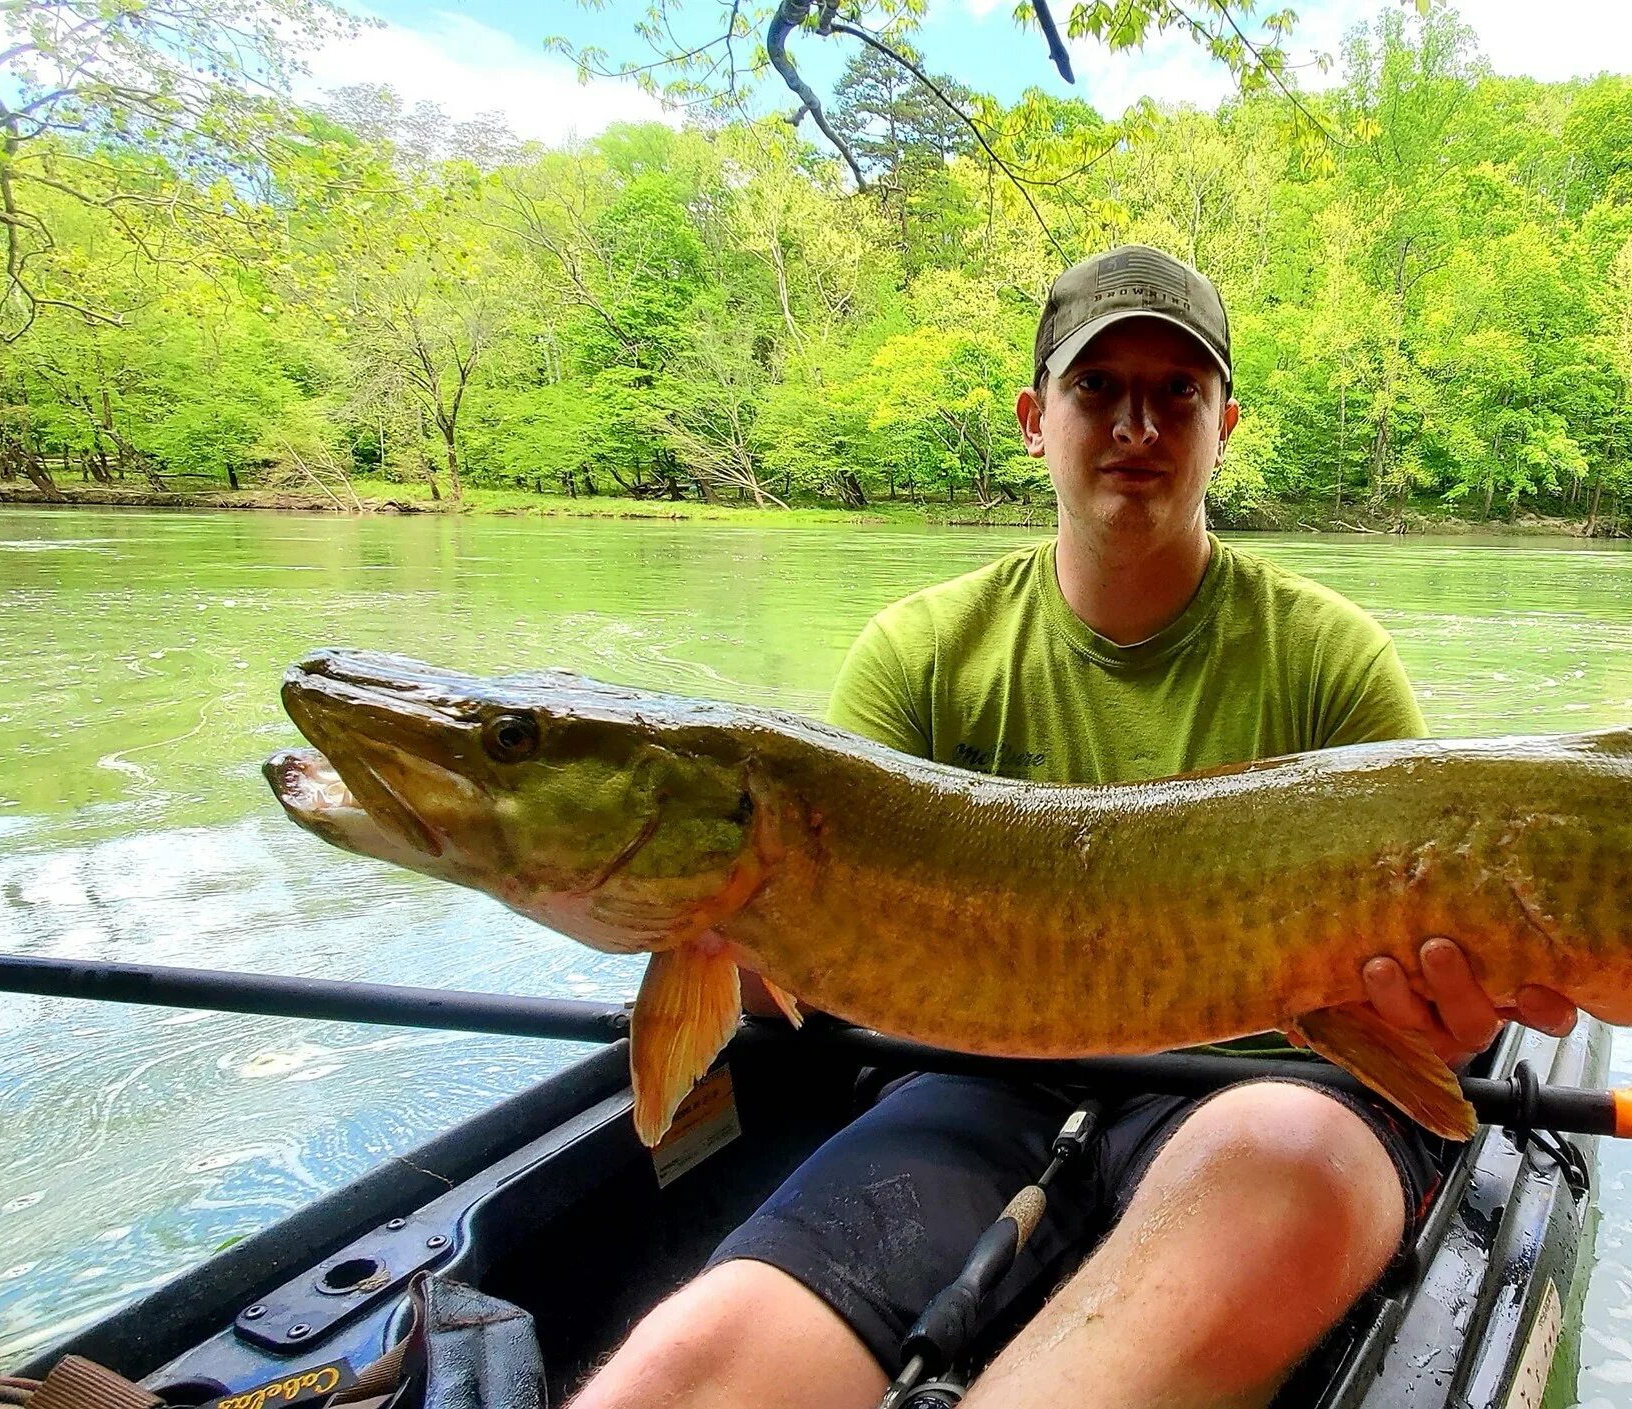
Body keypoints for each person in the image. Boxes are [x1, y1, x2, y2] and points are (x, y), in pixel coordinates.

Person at [571, 245, 1578, 1409]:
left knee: (1274, 1162)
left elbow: (1423, 1006)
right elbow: (801, 997)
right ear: (1032, 420)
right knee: (679, 1370)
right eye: (1096, 388)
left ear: (1225, 425)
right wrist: (712, 941)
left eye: (1177, 392)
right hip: (974, 1090)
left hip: (1278, 1087)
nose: (1136, 424)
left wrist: (1442, 1017)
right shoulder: (920, 654)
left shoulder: (1330, 655)